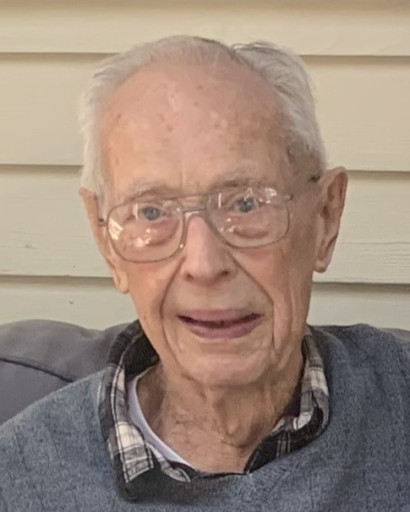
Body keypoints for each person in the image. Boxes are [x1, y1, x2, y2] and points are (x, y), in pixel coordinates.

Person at [0, 35, 409, 511]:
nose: (204, 263)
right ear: (107, 245)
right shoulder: (20, 480)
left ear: (325, 217)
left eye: (246, 202)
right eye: (151, 212)